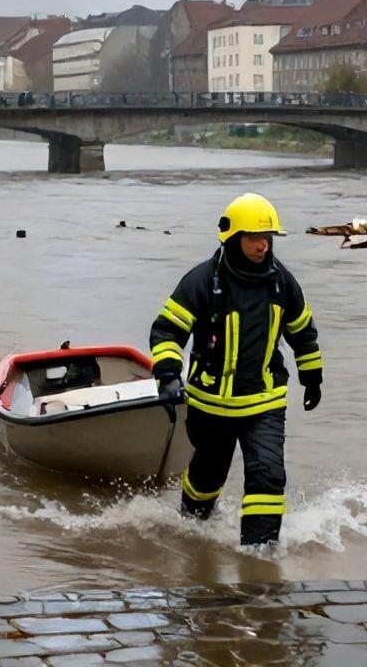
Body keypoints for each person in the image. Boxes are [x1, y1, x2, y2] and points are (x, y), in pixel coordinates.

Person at [148, 193, 322, 548]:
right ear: (231, 237)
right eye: (254, 238)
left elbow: (302, 331)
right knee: (207, 478)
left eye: (268, 238)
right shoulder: (200, 282)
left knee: (268, 477)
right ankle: (192, 534)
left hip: (264, 403)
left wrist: (312, 375)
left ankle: (259, 560)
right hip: (210, 406)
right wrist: (167, 376)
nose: (263, 246)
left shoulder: (282, 283)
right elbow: (168, 331)